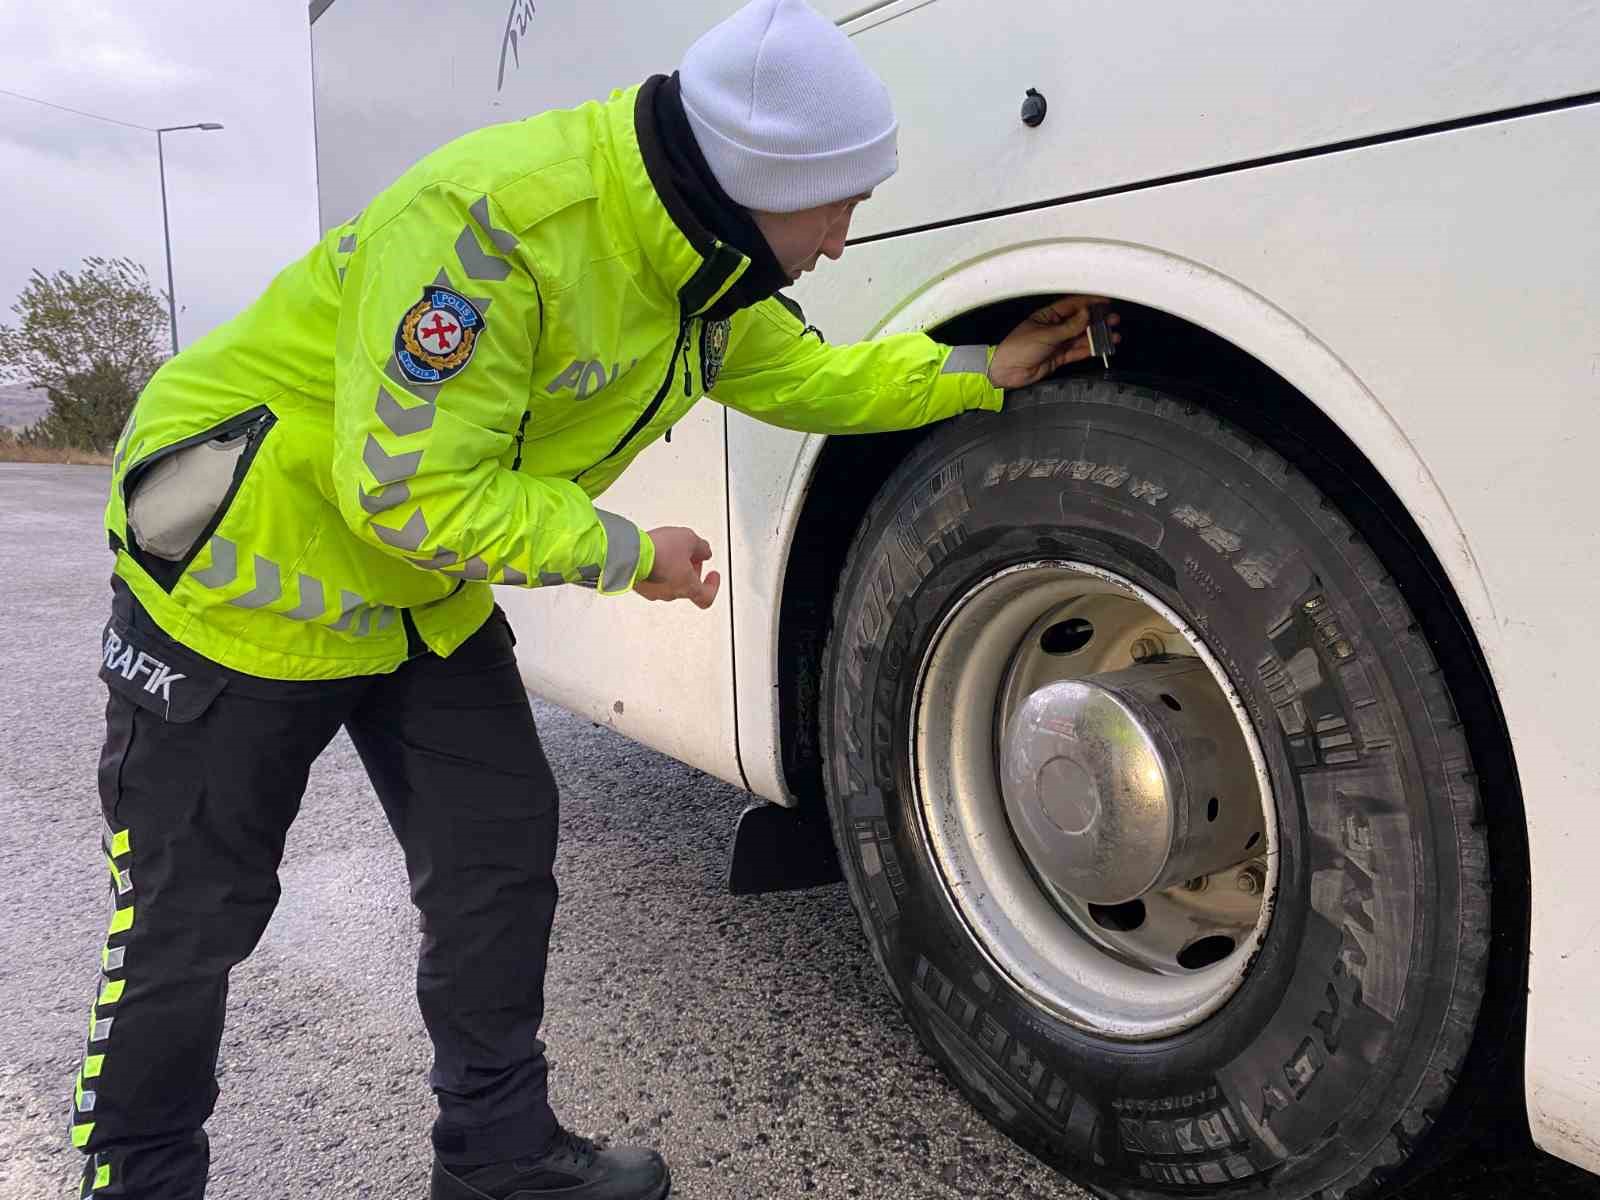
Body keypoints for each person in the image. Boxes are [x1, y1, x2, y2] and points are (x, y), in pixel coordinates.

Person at [72, 1, 1117, 1197]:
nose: (839, 239)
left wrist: (987, 369)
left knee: (497, 863)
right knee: (186, 919)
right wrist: (631, 553)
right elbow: (404, 494)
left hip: (417, 604)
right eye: (835, 205)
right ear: (752, 181)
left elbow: (819, 377)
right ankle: (137, 1181)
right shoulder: (492, 231)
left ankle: (497, 1157)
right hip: (243, 583)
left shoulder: (696, 268)